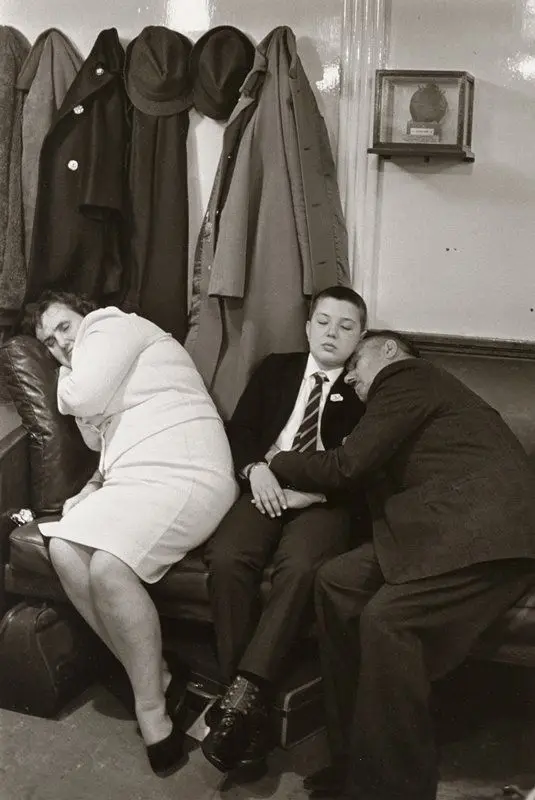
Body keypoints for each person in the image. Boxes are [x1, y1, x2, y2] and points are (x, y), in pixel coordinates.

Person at [267, 330, 535, 800]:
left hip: (485, 534)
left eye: (357, 365)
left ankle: (391, 790)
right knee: (335, 581)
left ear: (389, 350)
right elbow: (360, 472)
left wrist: (278, 462)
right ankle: (356, 759)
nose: (349, 378)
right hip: (439, 528)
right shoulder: (410, 401)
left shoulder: (409, 377)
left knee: (389, 621)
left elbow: (347, 466)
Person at [21, 291, 238, 777]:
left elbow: (84, 398)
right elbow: (102, 441)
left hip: (189, 470)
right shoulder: (96, 358)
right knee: (65, 549)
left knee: (109, 567)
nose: (60, 344)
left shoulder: (111, 325)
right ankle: (157, 675)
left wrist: (62, 376)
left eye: (63, 327)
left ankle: (152, 713)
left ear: (85, 313)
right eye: (49, 342)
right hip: (135, 479)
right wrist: (93, 486)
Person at [201, 286, 371, 773]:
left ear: (361, 336)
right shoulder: (278, 367)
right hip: (267, 486)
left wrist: (317, 494)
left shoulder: (365, 389)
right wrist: (255, 469)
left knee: (299, 567)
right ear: (307, 326)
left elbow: (365, 467)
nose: (331, 333)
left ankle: (239, 702)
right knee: (229, 558)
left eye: (345, 326)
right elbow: (241, 431)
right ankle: (247, 713)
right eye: (323, 321)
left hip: (323, 500)